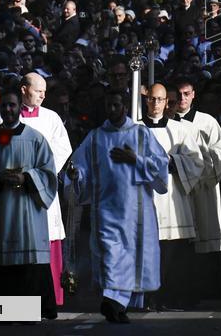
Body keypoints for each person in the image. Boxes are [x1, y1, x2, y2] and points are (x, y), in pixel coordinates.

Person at [65, 89, 169, 323]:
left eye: (116, 105)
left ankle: (118, 304)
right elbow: (80, 166)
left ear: (125, 107)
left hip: (136, 212)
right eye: (108, 106)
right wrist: (75, 174)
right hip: (106, 210)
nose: (112, 110)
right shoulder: (95, 137)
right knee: (111, 255)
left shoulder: (141, 135)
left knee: (131, 257)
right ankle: (112, 301)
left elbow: (161, 167)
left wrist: (136, 160)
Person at [0, 88, 58, 319]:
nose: (9, 110)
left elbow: (48, 172)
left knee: (27, 262)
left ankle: (29, 311)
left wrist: (28, 177)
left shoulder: (35, 138)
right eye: (6, 106)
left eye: (13, 105)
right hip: (0, 210)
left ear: (19, 108)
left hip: (27, 210)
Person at [141, 83, 206, 311]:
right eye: (151, 99)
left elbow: (197, 162)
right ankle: (148, 297)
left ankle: (170, 296)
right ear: (146, 100)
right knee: (147, 249)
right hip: (145, 198)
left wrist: (172, 162)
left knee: (172, 252)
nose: (156, 104)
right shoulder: (135, 129)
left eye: (160, 100)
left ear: (167, 102)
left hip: (172, 199)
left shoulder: (179, 130)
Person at [174, 78, 221, 301]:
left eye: (186, 94)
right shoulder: (167, 122)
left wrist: (205, 174)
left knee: (207, 234)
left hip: (203, 188)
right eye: (178, 95)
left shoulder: (207, 122)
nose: (182, 99)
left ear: (193, 95)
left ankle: (214, 288)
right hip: (178, 188)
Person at [19, 72, 73, 308]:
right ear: (24, 89)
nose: (42, 95)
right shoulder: (7, 118)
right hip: (18, 191)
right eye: (37, 90)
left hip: (43, 189)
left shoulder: (52, 118)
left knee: (48, 240)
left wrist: (41, 173)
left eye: (44, 91)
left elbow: (63, 148)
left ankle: (50, 299)